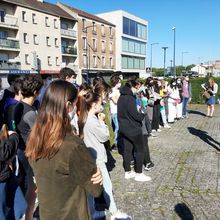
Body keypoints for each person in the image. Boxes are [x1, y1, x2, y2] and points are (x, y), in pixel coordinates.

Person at [26, 80, 103, 220]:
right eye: (75, 103)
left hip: (47, 213)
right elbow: (95, 189)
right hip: (71, 214)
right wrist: (97, 173)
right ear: (68, 106)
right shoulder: (72, 145)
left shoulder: (35, 138)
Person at [79, 90, 129, 220]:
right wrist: (102, 121)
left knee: (93, 187)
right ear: (94, 104)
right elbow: (104, 136)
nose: (101, 106)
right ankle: (114, 212)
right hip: (97, 158)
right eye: (100, 103)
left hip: (89, 157)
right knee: (107, 186)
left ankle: (95, 211)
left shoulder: (84, 117)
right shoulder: (92, 120)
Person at [14, 74, 43, 220]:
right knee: (34, 186)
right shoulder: (30, 113)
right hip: (30, 152)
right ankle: (30, 216)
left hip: (21, 150)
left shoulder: (17, 105)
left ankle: (29, 215)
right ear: (36, 92)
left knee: (31, 186)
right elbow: (41, 134)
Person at [118, 80, 151, 182]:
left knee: (127, 150)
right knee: (139, 150)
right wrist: (143, 114)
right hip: (133, 129)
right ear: (133, 87)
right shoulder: (130, 98)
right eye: (137, 88)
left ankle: (128, 171)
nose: (137, 90)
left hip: (123, 128)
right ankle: (139, 173)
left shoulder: (121, 97)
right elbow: (135, 115)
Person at [0, 125, 27, 220]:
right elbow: (4, 153)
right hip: (2, 177)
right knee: (3, 214)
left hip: (7, 173)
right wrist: (14, 136)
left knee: (20, 207)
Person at [109, 75, 121, 148]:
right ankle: (116, 143)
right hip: (114, 111)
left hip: (119, 111)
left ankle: (118, 141)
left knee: (118, 127)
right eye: (119, 82)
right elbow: (116, 101)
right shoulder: (112, 90)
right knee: (117, 127)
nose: (120, 84)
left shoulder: (119, 90)